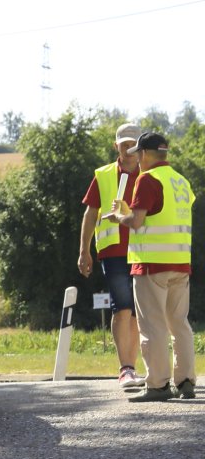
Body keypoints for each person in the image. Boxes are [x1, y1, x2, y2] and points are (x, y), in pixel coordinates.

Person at [111, 131, 194, 402]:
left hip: (151, 265)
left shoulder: (148, 179)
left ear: (145, 154)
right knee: (179, 324)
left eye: (138, 153)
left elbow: (136, 221)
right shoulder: (181, 181)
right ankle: (186, 382)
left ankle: (158, 384)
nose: (137, 159)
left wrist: (119, 215)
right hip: (180, 263)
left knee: (153, 326)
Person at [79, 122, 144, 389]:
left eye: (133, 145)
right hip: (113, 251)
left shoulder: (150, 175)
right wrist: (84, 251)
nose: (128, 150)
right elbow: (90, 213)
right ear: (115, 145)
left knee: (138, 312)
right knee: (122, 306)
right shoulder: (104, 175)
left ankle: (135, 368)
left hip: (144, 250)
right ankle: (125, 369)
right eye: (124, 144)